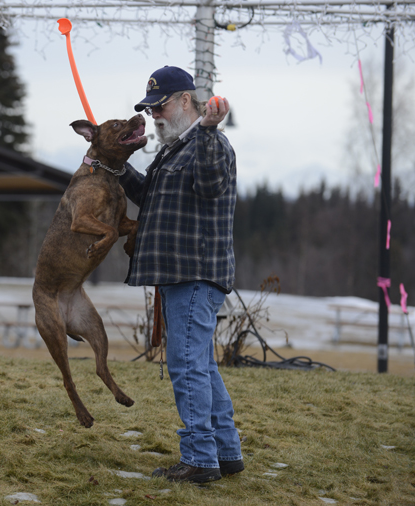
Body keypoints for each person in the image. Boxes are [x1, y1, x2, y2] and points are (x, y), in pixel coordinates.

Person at [119, 66, 243, 483]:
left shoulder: (211, 145)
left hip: (195, 276)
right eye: (150, 107)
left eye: (161, 105)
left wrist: (208, 129)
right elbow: (149, 198)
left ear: (185, 101)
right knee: (201, 366)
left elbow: (209, 185)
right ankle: (225, 454)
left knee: (187, 367)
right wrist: (116, 168)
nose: (154, 114)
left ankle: (199, 461)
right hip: (179, 277)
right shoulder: (171, 151)